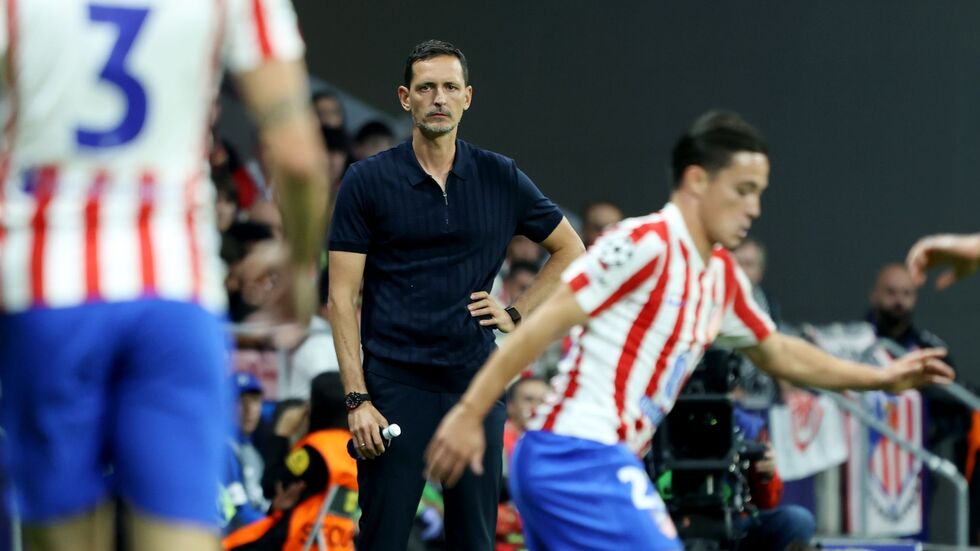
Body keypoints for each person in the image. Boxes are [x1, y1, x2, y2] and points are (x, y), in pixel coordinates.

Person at [425, 111, 954, 551]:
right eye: (744, 190)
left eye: (760, 192)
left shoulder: (721, 277)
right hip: (575, 455)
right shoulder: (645, 242)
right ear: (698, 181)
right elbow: (543, 324)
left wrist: (880, 380)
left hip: (588, 462)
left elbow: (780, 353)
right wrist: (470, 412)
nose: (755, 208)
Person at [0, 2, 329, 549]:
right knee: (180, 531)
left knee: (59, 535)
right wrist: (298, 271)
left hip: (47, 291)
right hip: (174, 289)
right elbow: (298, 159)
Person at [328, 39, 585, 550]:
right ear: (406, 98)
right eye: (426, 88)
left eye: (449, 87)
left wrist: (516, 313)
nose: (438, 98)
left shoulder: (500, 175)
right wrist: (357, 399)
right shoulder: (367, 181)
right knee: (382, 540)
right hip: (393, 388)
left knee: (476, 541)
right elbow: (341, 299)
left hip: (475, 386)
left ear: (468, 97)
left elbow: (571, 250)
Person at [223, 371, 357, 551]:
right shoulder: (355, 449)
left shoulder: (317, 448)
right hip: (338, 542)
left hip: (299, 538)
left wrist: (281, 433)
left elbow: (270, 485)